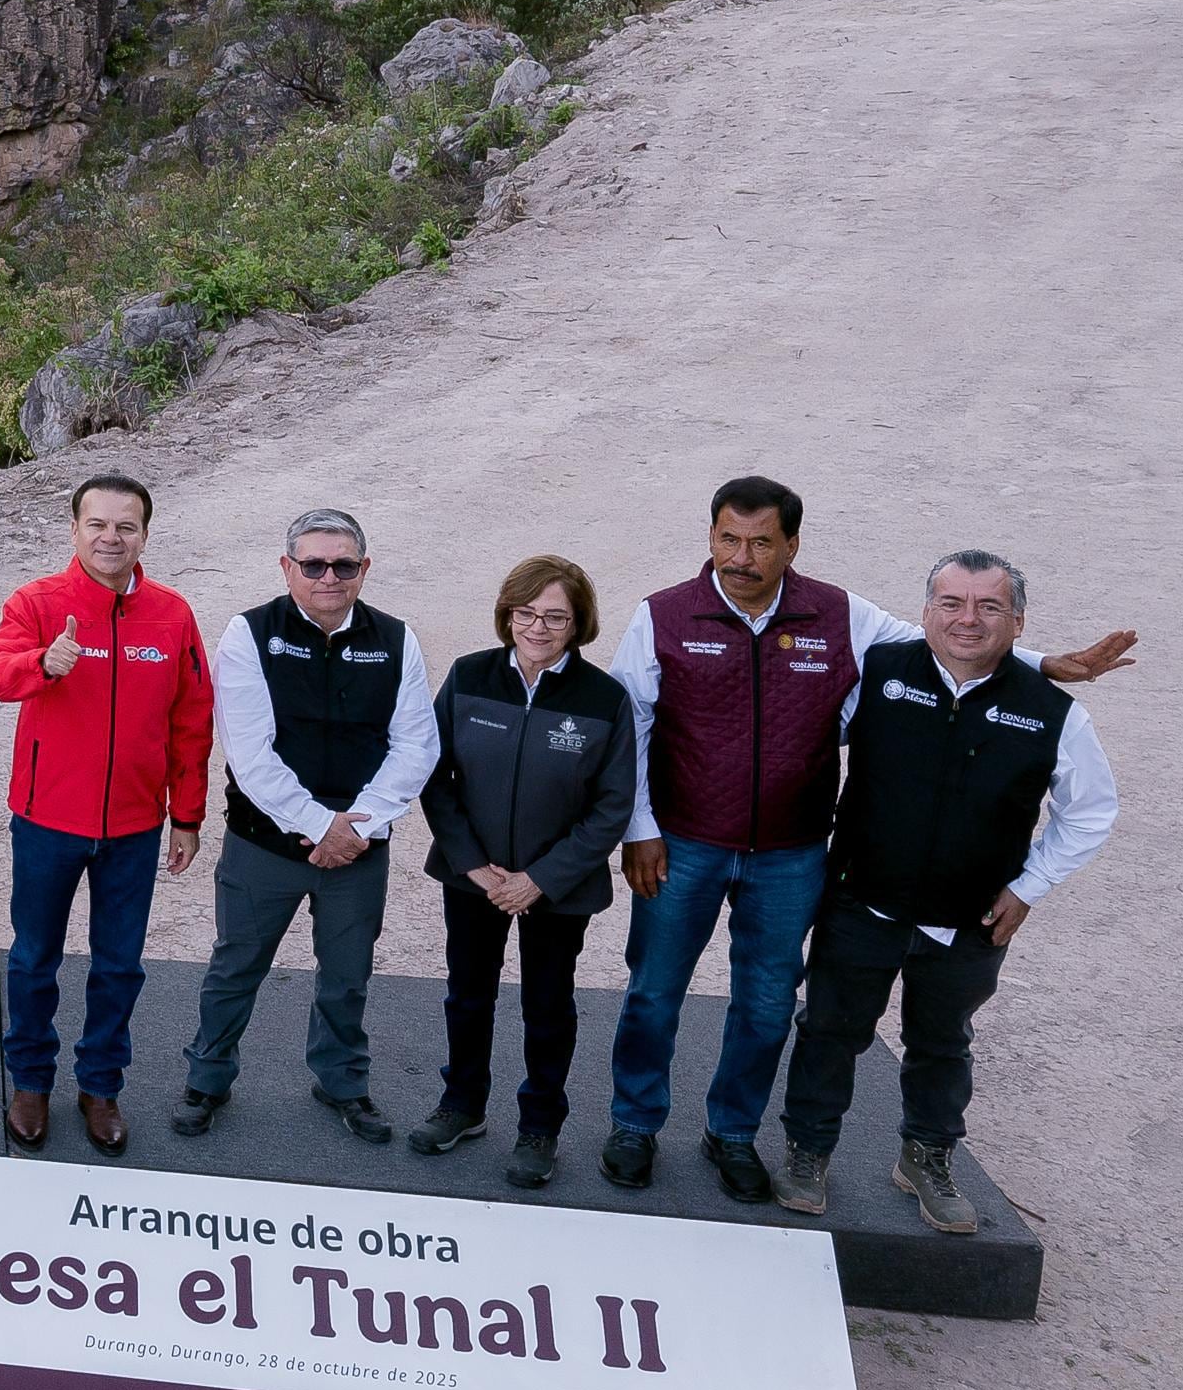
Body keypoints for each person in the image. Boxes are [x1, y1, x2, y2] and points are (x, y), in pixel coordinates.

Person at [602, 475, 1134, 1201]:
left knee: (763, 1006)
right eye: (729, 538)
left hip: (792, 857)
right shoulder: (660, 616)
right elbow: (627, 725)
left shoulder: (841, 614)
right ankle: (634, 1124)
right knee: (654, 992)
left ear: (792, 545)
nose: (743, 556)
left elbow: (946, 640)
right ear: (711, 538)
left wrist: (1040, 663)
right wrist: (640, 829)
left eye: (762, 542)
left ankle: (731, 1134)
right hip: (683, 843)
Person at [771, 551, 1118, 1232]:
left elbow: (1091, 812)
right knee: (830, 1033)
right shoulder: (875, 675)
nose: (968, 619)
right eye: (951, 603)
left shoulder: (1052, 712)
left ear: (1018, 620)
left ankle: (926, 1158)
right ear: (925, 612)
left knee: (942, 1043)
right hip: (861, 902)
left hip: (969, 923)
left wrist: (1029, 886)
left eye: (989, 607)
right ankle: (807, 1153)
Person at [183, 508, 441, 1147]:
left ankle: (343, 1081)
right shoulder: (249, 634)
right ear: (287, 567)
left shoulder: (398, 639)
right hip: (265, 841)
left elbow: (416, 747)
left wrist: (358, 827)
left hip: (358, 842)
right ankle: (207, 1080)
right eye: (313, 564)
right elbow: (248, 751)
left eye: (344, 565)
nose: (329, 576)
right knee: (237, 966)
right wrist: (318, 825)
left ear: (364, 569)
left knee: (347, 972)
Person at [0, 474, 214, 1154]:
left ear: (144, 533)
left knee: (119, 965)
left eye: (126, 526)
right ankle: (29, 1080)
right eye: (97, 525)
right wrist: (43, 663)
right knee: (33, 958)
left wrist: (188, 815)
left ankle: (100, 1084)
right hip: (48, 820)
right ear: (74, 529)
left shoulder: (172, 614)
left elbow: (192, 717)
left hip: (135, 828)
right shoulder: (37, 602)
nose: (111, 538)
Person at [408, 556, 637, 1187]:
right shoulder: (469, 677)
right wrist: (475, 866)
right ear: (509, 614)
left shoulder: (604, 700)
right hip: (473, 879)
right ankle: (462, 1106)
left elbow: (612, 805)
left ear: (578, 623)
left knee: (549, 1005)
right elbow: (434, 774)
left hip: (555, 889)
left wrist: (538, 879)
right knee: (468, 993)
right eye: (526, 613)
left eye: (555, 616)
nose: (537, 627)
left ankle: (540, 1126)